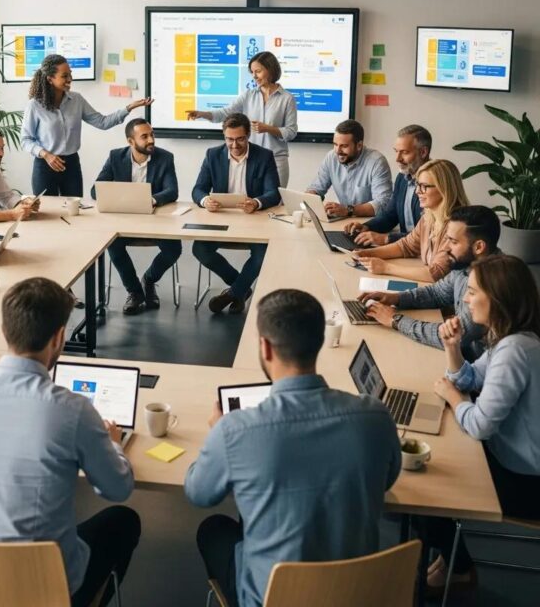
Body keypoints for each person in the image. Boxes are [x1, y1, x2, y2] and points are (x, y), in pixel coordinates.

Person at [185, 288, 401, 607]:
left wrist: (218, 437)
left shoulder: (235, 430)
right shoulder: (375, 415)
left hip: (272, 598)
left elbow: (198, 492)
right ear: (319, 342)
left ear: (265, 348)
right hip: (358, 593)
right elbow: (387, 481)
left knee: (214, 528)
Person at [0, 277, 141, 607]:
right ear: (59, 337)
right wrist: (113, 444)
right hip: (44, 588)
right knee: (123, 521)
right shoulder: (72, 410)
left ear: (5, 331)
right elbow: (117, 489)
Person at [423, 254, 540, 596]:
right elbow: (470, 377)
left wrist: (453, 398)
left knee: (431, 487)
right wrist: (451, 348)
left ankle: (460, 569)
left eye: (473, 292)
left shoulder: (516, 349)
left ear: (498, 298)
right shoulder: (511, 338)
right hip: (511, 460)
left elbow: (479, 425)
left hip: (527, 482)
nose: (465, 299)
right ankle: (448, 555)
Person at [360, 206, 499, 361]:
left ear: (479, 247)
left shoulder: (491, 283)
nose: (446, 248)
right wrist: (396, 298)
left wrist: (396, 320)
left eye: (453, 241)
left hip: (477, 374)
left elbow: (450, 336)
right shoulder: (466, 263)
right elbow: (436, 293)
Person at [21, 54, 151, 197]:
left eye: (70, 74)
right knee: (46, 212)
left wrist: (129, 108)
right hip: (45, 165)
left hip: (70, 165)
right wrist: (46, 154)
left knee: (75, 211)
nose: (70, 79)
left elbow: (102, 122)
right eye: (64, 76)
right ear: (50, 79)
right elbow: (26, 140)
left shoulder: (77, 100)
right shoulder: (35, 105)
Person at [91, 118, 181, 315]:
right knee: (112, 244)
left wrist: (152, 200)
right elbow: (95, 190)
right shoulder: (116, 157)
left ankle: (148, 280)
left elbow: (172, 191)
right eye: (145, 136)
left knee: (174, 248)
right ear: (131, 142)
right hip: (125, 222)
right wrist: (121, 196)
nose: (151, 140)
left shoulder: (165, 158)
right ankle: (135, 292)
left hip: (155, 221)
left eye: (152, 135)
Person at [191, 113, 279, 314]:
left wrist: (256, 203)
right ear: (224, 136)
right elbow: (198, 189)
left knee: (262, 254)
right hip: (221, 218)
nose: (234, 145)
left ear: (248, 135)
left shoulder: (264, 156)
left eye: (240, 139)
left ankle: (233, 293)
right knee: (200, 249)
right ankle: (240, 289)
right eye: (229, 139)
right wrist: (206, 201)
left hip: (253, 219)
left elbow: (273, 193)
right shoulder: (212, 155)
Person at [186, 51, 298, 187]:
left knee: (275, 203)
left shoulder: (287, 98)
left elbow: (291, 132)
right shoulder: (249, 95)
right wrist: (203, 114)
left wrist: (268, 129)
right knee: (252, 203)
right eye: (252, 72)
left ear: (270, 70)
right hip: (252, 159)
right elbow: (226, 112)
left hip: (276, 160)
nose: (254, 76)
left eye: (258, 71)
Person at [355, 159, 469, 282]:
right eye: (417, 185)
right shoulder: (428, 216)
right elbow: (406, 246)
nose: (417, 191)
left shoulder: (457, 226)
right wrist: (367, 253)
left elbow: (435, 273)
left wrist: (386, 267)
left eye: (424, 186)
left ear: (444, 189)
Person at [346, 124, 431, 245]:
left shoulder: (435, 182)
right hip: (404, 248)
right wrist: (366, 227)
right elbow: (390, 216)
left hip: (422, 252)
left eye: (404, 152)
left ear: (423, 152)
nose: (397, 158)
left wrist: (387, 238)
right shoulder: (402, 178)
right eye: (396, 151)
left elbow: (428, 234)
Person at [306, 118, 392, 219]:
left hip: (369, 223)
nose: (338, 151)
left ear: (359, 145)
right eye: (335, 144)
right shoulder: (331, 157)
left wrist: (348, 210)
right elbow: (317, 188)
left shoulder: (377, 162)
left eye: (344, 146)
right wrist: (309, 196)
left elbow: (383, 204)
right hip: (343, 221)